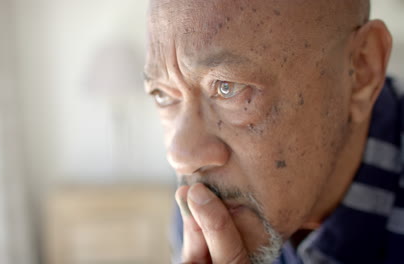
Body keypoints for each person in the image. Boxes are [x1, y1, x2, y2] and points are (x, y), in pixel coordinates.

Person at [143, 0, 403, 263]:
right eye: (163, 95)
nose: (181, 157)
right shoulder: (212, 203)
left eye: (227, 87)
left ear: (361, 69)